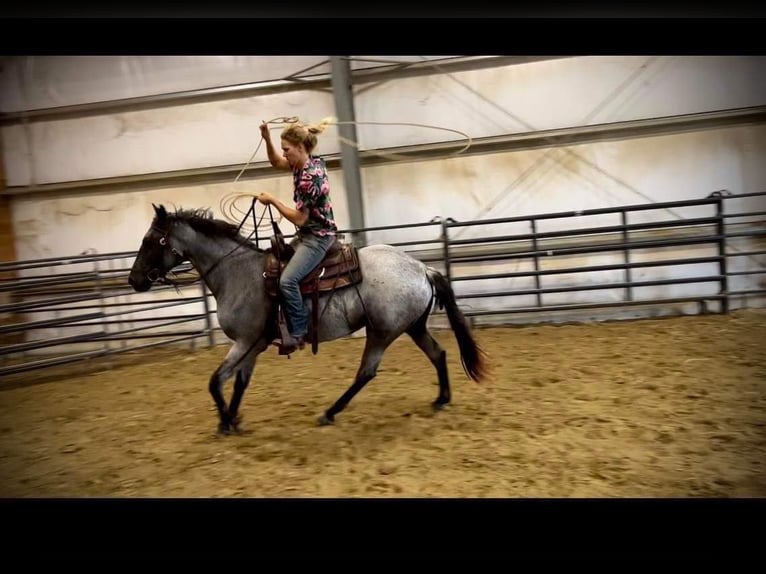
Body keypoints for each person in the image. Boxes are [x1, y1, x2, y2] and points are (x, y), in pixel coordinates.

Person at [256, 117, 338, 353]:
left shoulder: (309, 178)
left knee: (287, 280)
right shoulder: (303, 163)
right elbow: (275, 162)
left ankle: (299, 332)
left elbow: (300, 218)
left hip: (317, 237)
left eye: (287, 150)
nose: (285, 154)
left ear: (300, 148)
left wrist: (272, 200)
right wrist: (267, 138)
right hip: (308, 234)